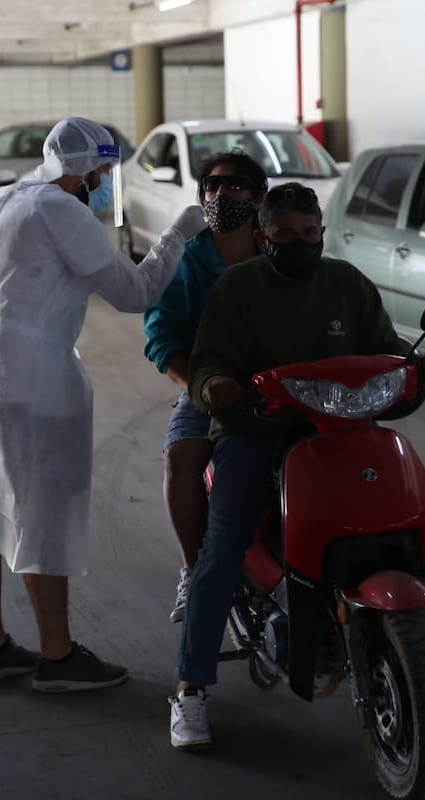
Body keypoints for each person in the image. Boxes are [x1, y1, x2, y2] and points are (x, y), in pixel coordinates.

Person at [0, 117, 207, 693]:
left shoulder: (6, 202)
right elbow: (134, 293)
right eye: (103, 173)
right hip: (31, 374)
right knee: (43, 511)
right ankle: (57, 657)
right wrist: (178, 235)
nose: (106, 184)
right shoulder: (61, 211)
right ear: (84, 171)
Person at [168, 183, 425, 749]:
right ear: (265, 236)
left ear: (322, 232)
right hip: (258, 433)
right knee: (221, 548)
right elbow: (209, 359)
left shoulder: (346, 283)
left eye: (309, 233)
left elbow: (388, 347)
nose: (299, 242)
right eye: (286, 234)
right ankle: (191, 688)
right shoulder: (239, 288)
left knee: (408, 540)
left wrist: (419, 366)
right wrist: (217, 384)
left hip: (344, 431)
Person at [143, 151, 267, 625]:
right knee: (182, 457)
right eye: (211, 187)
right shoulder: (187, 258)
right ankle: (197, 570)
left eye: (234, 186)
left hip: (287, 385)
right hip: (208, 388)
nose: (221, 195)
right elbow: (161, 335)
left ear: (258, 196)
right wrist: (200, 387)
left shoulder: (279, 249)